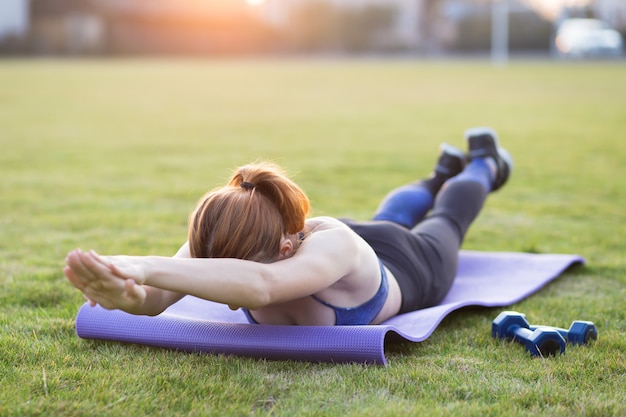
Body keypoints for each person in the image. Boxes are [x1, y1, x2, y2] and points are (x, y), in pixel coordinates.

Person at [64, 127, 512, 326]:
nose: (213, 273)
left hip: (407, 264)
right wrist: (130, 296)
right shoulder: (222, 238)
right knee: (388, 216)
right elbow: (158, 299)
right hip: (360, 249)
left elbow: (259, 286)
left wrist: (142, 265)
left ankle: (484, 164)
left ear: (283, 249)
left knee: (444, 221)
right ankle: (439, 171)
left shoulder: (328, 247)